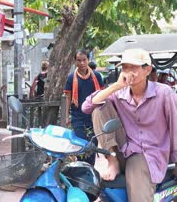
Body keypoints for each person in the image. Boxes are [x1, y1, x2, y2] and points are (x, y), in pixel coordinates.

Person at [82, 48, 177, 201]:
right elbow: (87, 107)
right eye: (125, 67)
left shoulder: (164, 94)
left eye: (134, 67)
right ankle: (112, 162)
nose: (128, 72)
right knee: (100, 106)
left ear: (147, 70)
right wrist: (116, 86)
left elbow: (175, 128)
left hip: (148, 156)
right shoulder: (118, 93)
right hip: (122, 149)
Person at [63, 49, 103, 166]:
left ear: (88, 60)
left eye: (84, 60)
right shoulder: (71, 78)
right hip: (78, 117)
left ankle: (90, 171)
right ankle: (81, 170)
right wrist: (66, 116)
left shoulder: (96, 76)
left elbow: (102, 96)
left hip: (93, 117)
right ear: (75, 61)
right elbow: (68, 98)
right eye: (79, 60)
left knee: (92, 147)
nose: (82, 63)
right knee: (81, 146)